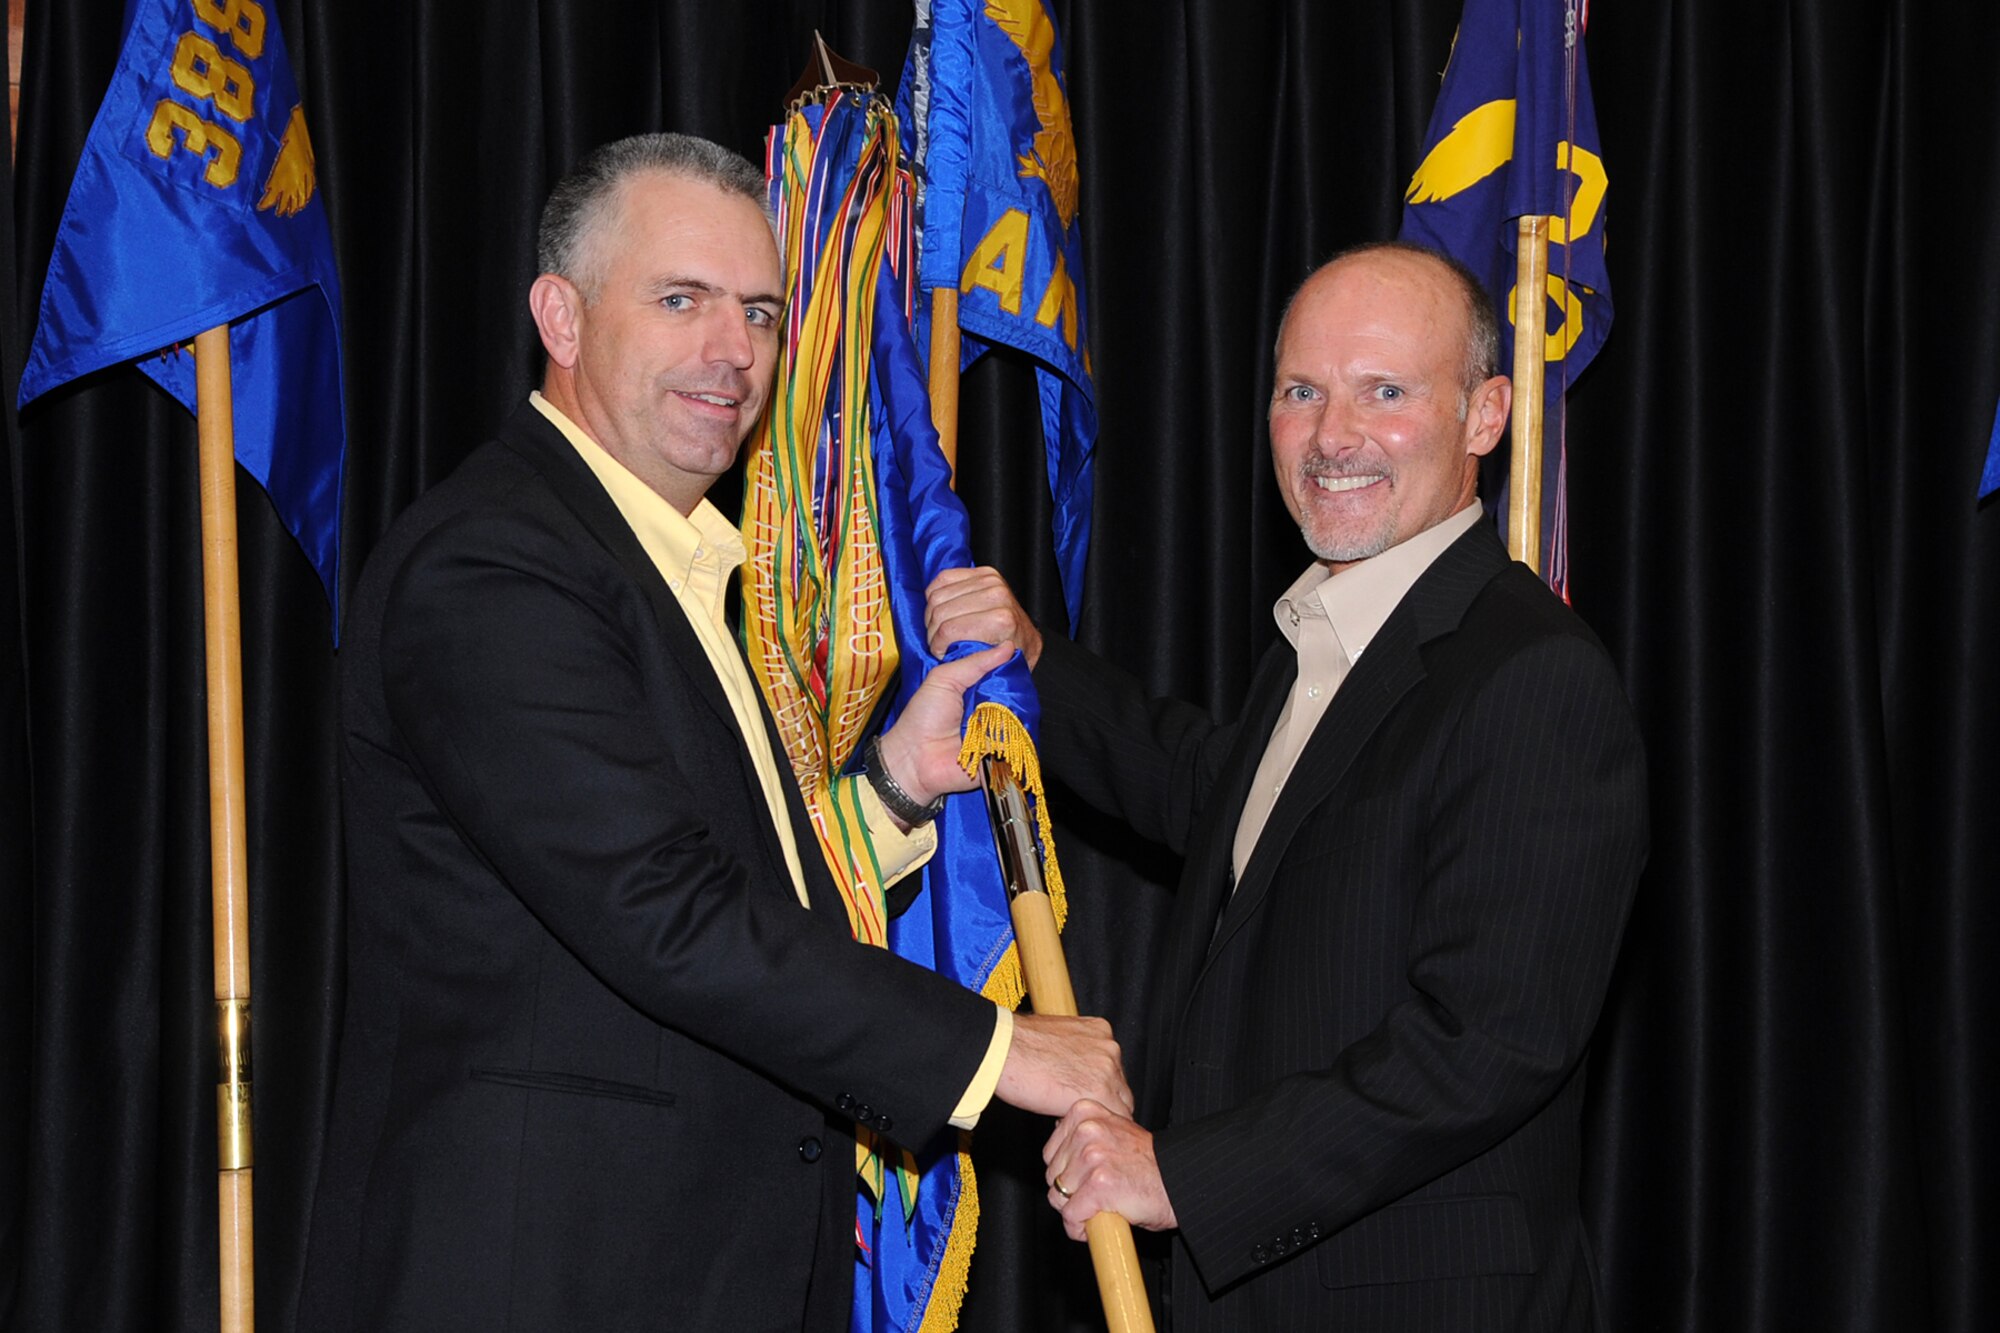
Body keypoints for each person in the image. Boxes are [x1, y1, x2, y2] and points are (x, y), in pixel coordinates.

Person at [297, 133, 1128, 1332]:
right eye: (679, 300)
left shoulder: (665, 567)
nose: (731, 352)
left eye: (760, 311)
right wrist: (1002, 1052)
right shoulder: (491, 565)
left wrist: (894, 785)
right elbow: (662, 909)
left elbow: (707, 881)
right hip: (540, 1280)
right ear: (561, 317)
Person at [926, 242, 1648, 1330]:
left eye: (1385, 392)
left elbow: (1485, 1043)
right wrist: (1032, 660)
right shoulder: (1322, 645)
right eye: (1299, 392)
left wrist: (1181, 1176)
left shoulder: (1532, 676)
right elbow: (1216, 794)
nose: (1332, 436)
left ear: (1486, 415)